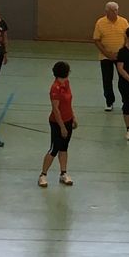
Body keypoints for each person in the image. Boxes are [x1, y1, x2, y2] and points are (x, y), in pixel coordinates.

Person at [40, 60, 76, 188]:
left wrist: (73, 117)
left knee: (64, 147)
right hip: (57, 122)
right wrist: (62, 127)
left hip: (68, 120)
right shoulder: (55, 88)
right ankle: (43, 175)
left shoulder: (66, 83)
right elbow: (56, 109)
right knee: (54, 149)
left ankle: (63, 173)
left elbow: (69, 102)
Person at [91, 0, 129, 110]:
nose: (115, 12)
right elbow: (96, 40)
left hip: (121, 56)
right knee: (107, 80)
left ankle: (127, 102)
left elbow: (128, 38)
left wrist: (121, 53)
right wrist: (107, 54)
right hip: (105, 56)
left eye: (116, 10)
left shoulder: (124, 22)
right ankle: (109, 102)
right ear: (106, 11)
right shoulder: (100, 22)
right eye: (112, 10)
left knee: (124, 79)